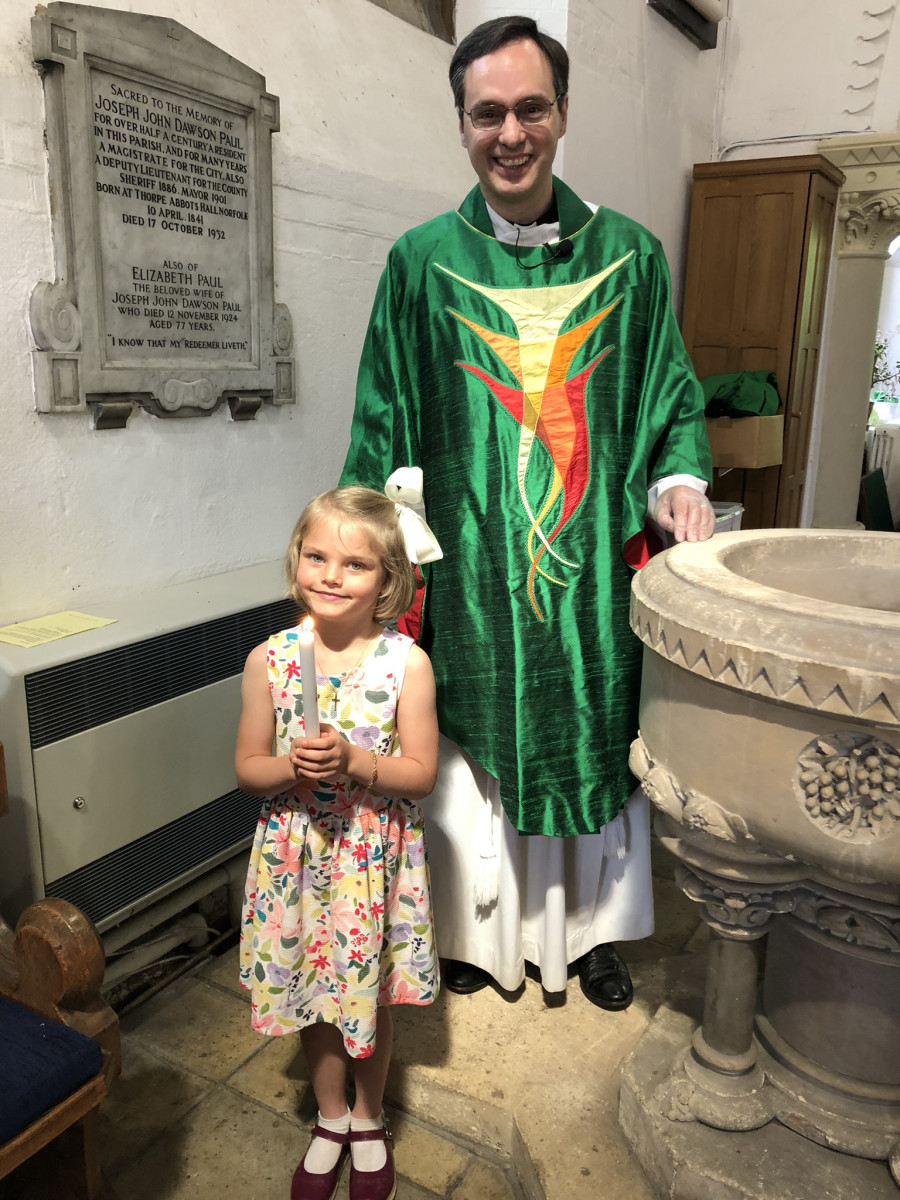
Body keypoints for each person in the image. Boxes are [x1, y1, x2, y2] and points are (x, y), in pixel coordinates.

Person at [340, 16, 714, 1011]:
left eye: (530, 108)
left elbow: (670, 395)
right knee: (471, 749)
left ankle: (591, 939)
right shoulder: (420, 262)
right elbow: (385, 413)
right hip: (468, 575)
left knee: (592, 733)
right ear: (461, 125)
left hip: (589, 578)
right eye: (487, 113)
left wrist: (678, 477)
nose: (511, 132)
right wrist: (373, 560)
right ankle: (474, 935)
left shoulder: (630, 258)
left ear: (562, 114)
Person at [235, 485, 439, 1200]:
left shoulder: (405, 665)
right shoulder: (270, 660)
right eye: (316, 556)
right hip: (296, 859)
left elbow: (420, 774)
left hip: (366, 861)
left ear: (388, 581)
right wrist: (292, 767)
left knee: (364, 996)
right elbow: (248, 768)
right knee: (313, 996)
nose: (329, 574)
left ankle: (369, 1114)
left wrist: (358, 762)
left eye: (353, 565)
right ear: (297, 559)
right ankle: (329, 1118)